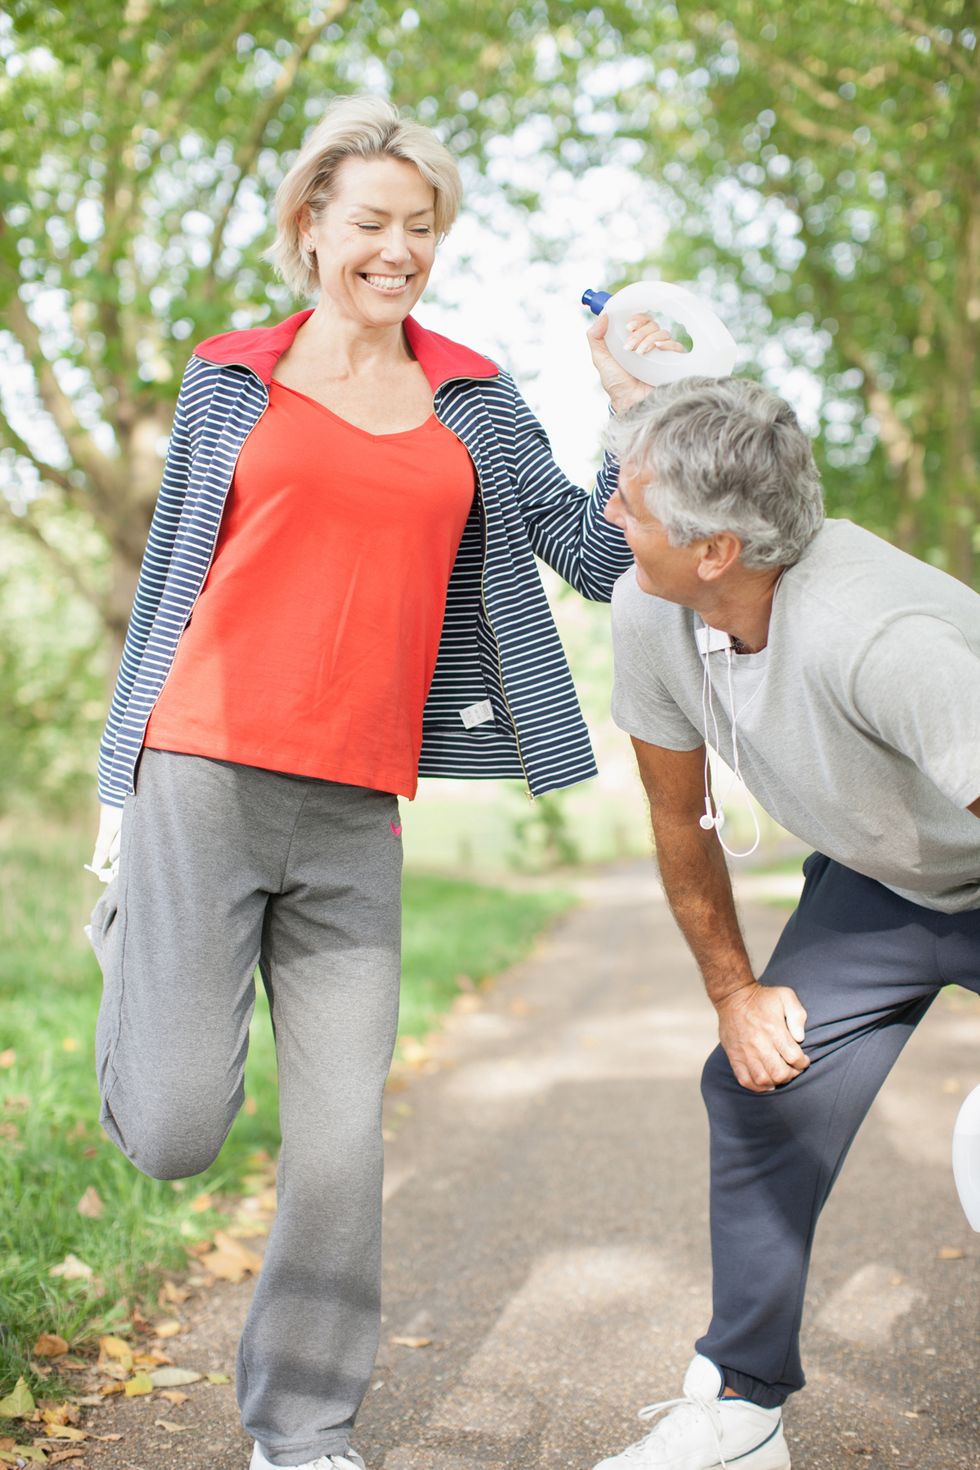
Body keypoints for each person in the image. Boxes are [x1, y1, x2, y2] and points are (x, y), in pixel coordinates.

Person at [86, 95, 679, 1470]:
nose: (396, 248)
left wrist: (628, 420)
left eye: (421, 227)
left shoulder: (472, 394)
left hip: (357, 804)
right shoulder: (230, 376)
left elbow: (592, 557)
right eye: (370, 223)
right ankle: (138, 944)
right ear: (309, 228)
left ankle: (301, 1426)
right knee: (175, 1130)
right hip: (202, 773)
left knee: (342, 1146)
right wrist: (118, 788)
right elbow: (169, 585)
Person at [593, 376, 980, 1470]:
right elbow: (680, 818)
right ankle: (741, 1407)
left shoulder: (878, 638)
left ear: (714, 548)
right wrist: (732, 991)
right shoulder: (649, 608)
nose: (608, 516)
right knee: (760, 1080)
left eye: (628, 500)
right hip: (885, 883)